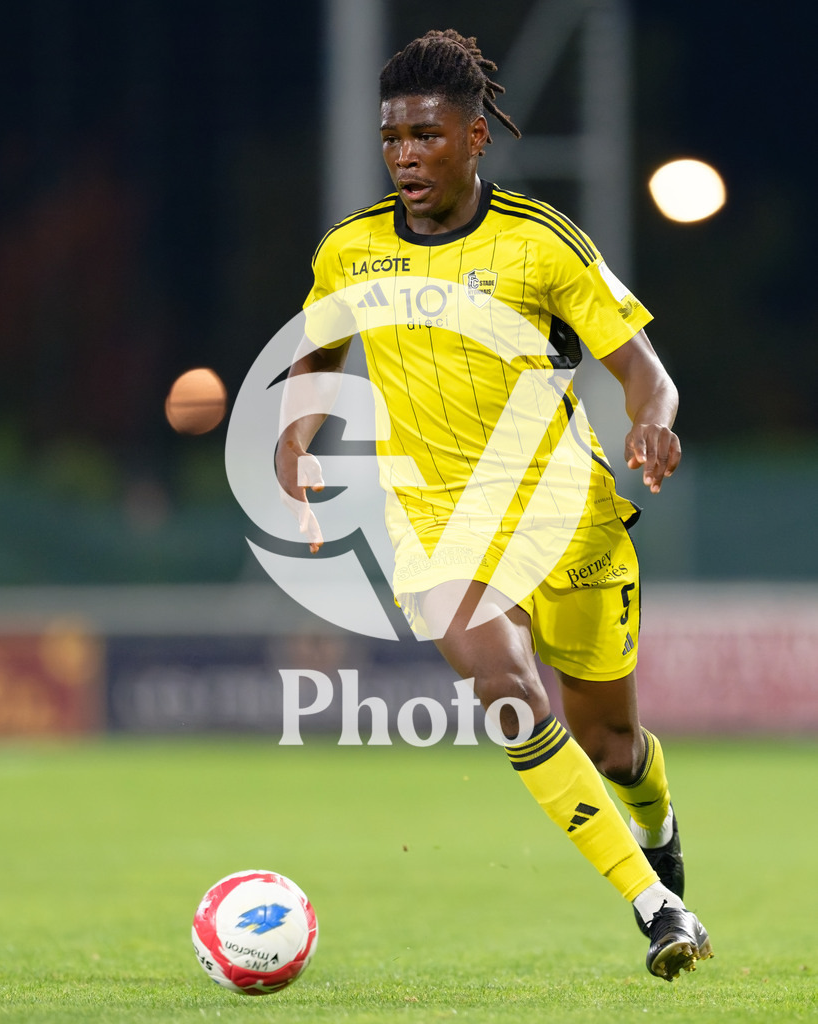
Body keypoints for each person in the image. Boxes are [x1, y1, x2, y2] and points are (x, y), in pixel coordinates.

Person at [275, 29, 713, 982]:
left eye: (424, 136)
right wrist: (293, 433)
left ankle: (659, 835)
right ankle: (654, 904)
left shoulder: (539, 241)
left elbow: (644, 371)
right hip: (436, 524)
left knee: (610, 742)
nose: (403, 155)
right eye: (391, 138)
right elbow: (319, 345)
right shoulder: (351, 251)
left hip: (567, 519)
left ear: (475, 138)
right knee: (508, 697)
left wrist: (654, 422)